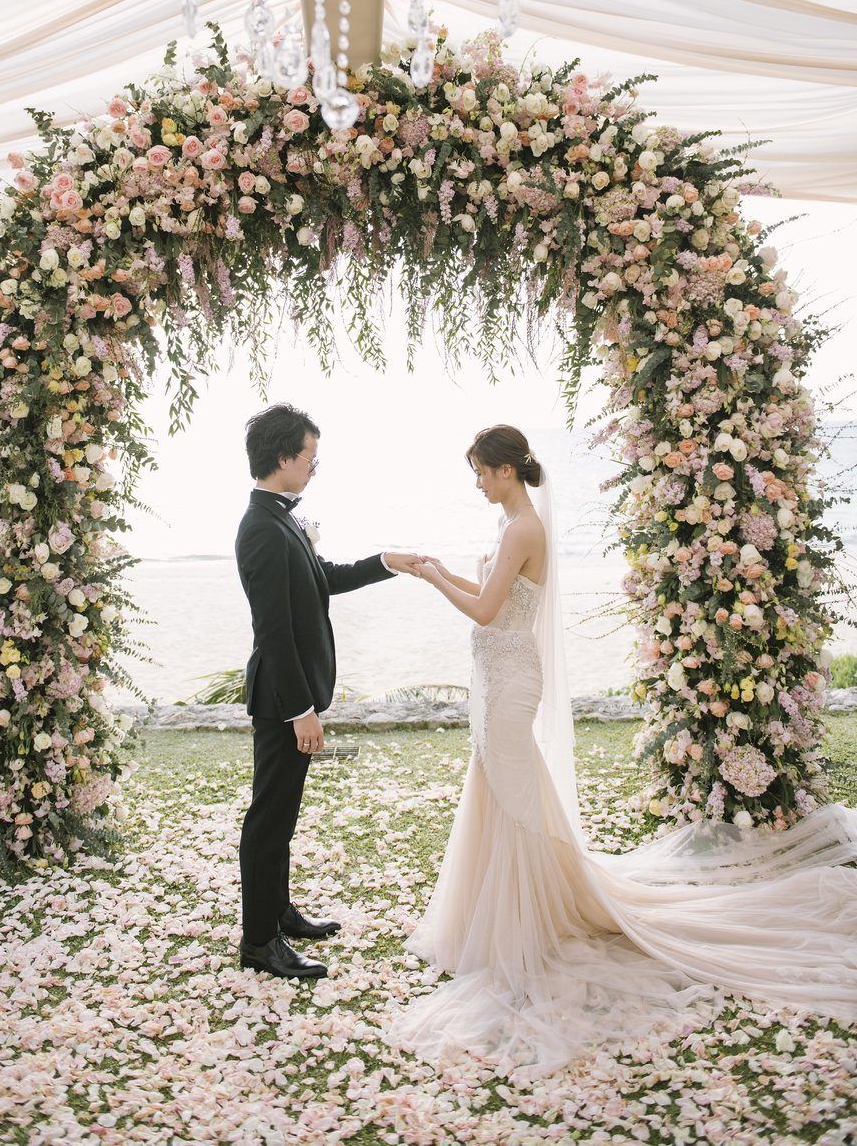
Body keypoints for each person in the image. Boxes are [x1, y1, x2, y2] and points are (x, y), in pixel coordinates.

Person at [385, 424, 857, 1076]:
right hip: (499, 679)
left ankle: (532, 918)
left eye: (480, 471)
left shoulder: (523, 529)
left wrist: (435, 575)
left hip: (512, 682)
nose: (477, 483)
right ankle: (497, 918)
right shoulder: (514, 526)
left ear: (505, 470)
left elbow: (490, 610)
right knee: (499, 789)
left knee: (516, 793)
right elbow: (491, 604)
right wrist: (437, 571)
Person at [235, 402, 425, 981]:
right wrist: (301, 712)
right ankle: (259, 940)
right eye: (312, 458)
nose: (316, 467)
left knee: (284, 815)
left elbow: (325, 580)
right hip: (281, 700)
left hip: (295, 695)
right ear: (285, 457)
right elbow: (273, 631)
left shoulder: (284, 518)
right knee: (269, 818)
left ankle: (278, 910)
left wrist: (385, 562)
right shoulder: (262, 530)